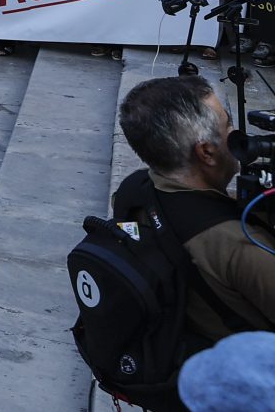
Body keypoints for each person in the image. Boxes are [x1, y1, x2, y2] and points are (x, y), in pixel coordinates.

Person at [115, 76, 275, 338]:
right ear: (207, 152)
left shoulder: (132, 190)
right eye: (228, 125)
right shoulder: (239, 247)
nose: (236, 133)